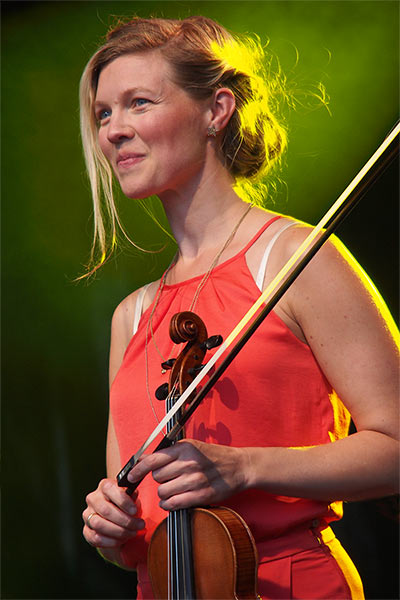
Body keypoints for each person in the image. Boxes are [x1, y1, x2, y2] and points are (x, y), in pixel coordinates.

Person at [81, 15, 399, 600]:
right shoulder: (131, 314)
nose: (113, 131)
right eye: (103, 113)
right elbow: (137, 531)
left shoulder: (295, 259)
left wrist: (246, 467)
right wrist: (110, 529)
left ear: (216, 109)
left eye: (138, 104)